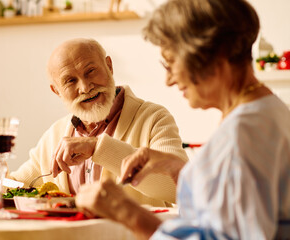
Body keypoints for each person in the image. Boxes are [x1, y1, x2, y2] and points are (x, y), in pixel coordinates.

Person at [75, 0, 290, 239]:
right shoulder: (268, 111)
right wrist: (179, 170)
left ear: (213, 53)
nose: (169, 80)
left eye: (171, 63)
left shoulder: (241, 135)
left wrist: (128, 213)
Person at [0, 38, 188, 206]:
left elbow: (179, 189)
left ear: (109, 66)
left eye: (90, 71)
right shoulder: (55, 134)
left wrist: (98, 148)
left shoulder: (154, 119)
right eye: (70, 80)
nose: (86, 87)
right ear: (57, 91)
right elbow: (18, 188)